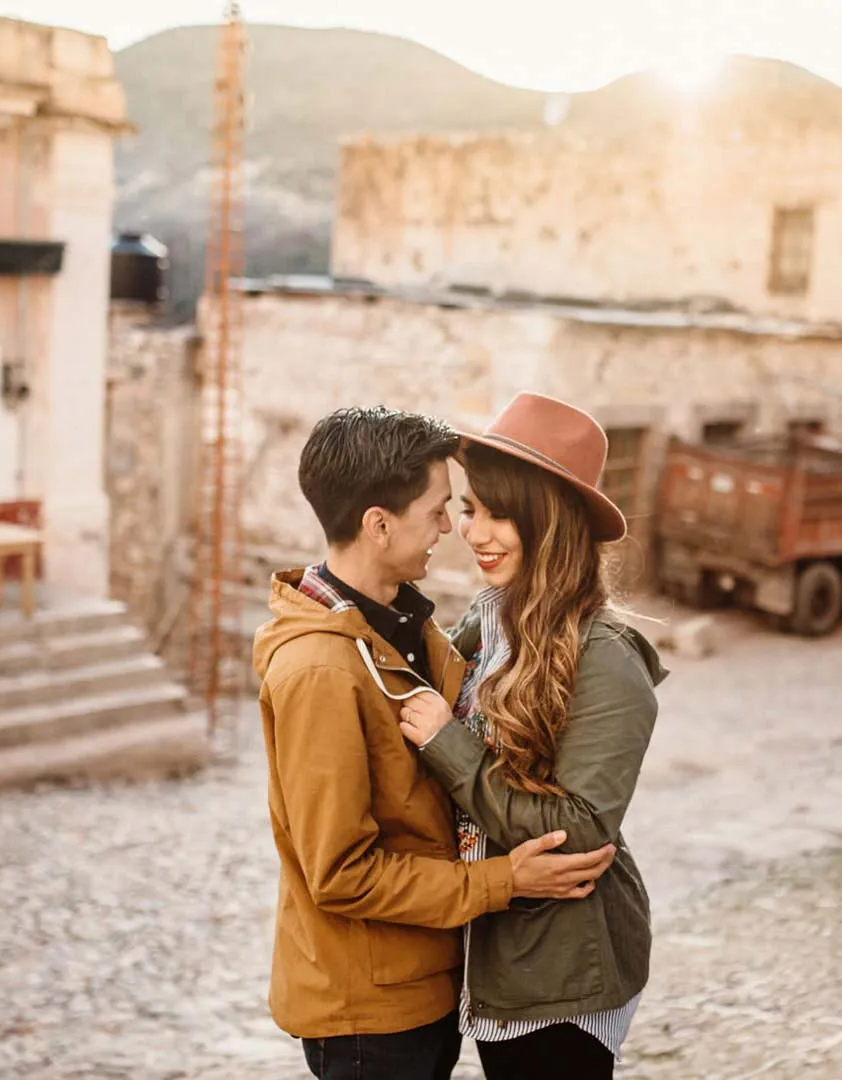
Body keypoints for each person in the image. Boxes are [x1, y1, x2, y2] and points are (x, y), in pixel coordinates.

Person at [253, 405, 620, 1080]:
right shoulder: (320, 669)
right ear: (379, 524)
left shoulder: (412, 628)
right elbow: (340, 873)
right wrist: (505, 881)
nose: (452, 528)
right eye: (440, 510)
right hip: (368, 1013)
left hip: (426, 986)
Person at [397, 392, 667, 1080]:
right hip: (503, 945)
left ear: (551, 522)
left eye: (501, 513)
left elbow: (578, 833)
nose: (475, 531)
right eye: (470, 509)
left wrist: (447, 745)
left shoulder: (604, 654)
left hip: (563, 962)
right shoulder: (491, 626)